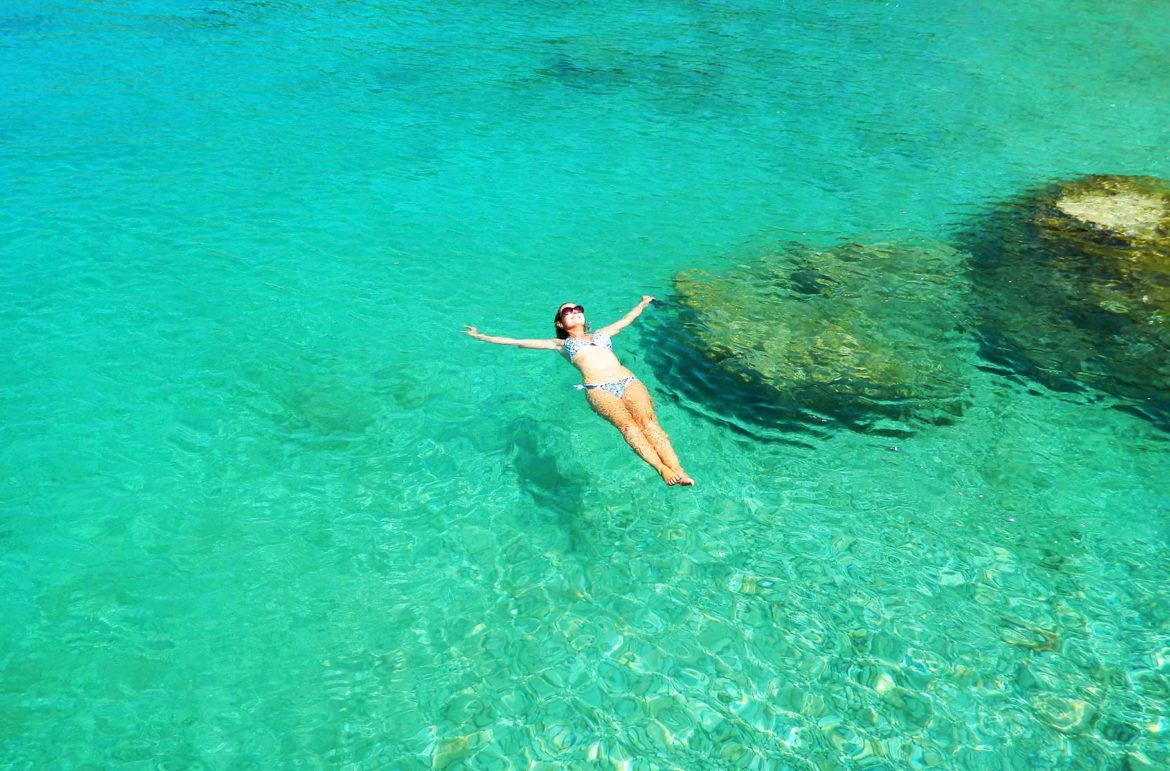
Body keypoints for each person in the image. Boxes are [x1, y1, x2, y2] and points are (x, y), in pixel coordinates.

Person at [465, 297, 694, 486]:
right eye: (567, 311)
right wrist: (480, 335)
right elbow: (516, 341)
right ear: (560, 324)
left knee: (649, 422)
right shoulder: (559, 344)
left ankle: (677, 467)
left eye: (578, 309)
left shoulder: (603, 333)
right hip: (598, 389)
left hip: (628, 380)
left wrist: (643, 303)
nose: (574, 312)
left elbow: (627, 320)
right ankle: (662, 469)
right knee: (629, 426)